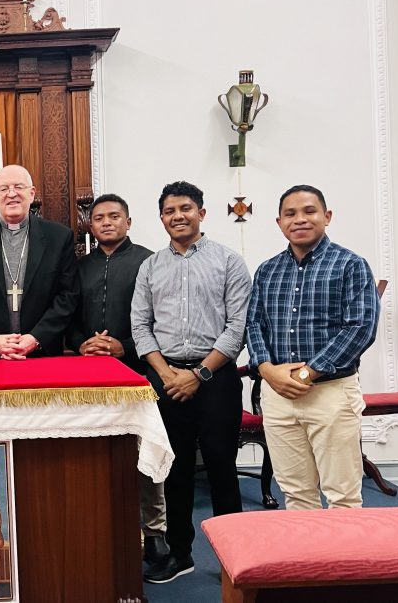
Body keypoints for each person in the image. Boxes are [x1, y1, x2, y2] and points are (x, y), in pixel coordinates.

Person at [131, 181, 252, 584]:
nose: (177, 216)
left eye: (185, 208)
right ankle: (179, 554)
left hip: (215, 378)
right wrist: (165, 373)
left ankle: (237, 557)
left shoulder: (228, 261)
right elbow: (140, 325)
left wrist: (199, 375)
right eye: (169, 210)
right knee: (174, 470)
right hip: (166, 380)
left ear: (202, 212)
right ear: (162, 217)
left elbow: (238, 327)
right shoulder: (150, 267)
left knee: (221, 467)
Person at [245, 184, 379, 511]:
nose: (300, 219)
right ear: (279, 223)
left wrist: (308, 372)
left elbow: (361, 328)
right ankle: (309, 564)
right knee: (296, 494)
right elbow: (253, 324)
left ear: (326, 216)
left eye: (309, 211)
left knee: (342, 495)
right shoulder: (267, 270)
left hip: (330, 392)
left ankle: (344, 563)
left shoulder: (351, 264)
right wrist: (266, 370)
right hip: (278, 395)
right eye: (290, 214)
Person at [65, 193, 167, 568]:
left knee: (145, 451)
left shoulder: (148, 262)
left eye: (114, 216)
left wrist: (124, 347)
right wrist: (81, 343)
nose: (107, 223)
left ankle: (155, 532)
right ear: (90, 226)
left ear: (128, 221)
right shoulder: (78, 267)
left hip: (137, 371)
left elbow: (161, 321)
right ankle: (97, 526)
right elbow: (67, 317)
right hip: (89, 374)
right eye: (99, 218)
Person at [0, 164, 79, 359]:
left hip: (42, 353)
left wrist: (36, 338)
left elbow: (67, 295)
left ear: (32, 193)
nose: (12, 194)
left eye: (19, 187)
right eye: (4, 189)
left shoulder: (59, 237)